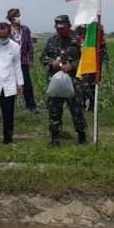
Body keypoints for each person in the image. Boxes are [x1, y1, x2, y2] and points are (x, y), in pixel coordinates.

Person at [41, 15, 87, 146]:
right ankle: (55, 137)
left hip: (74, 82)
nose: (61, 31)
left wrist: (73, 65)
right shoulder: (51, 41)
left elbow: (86, 60)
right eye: (58, 28)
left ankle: (81, 135)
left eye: (63, 28)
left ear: (69, 25)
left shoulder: (77, 41)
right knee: (54, 110)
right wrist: (51, 63)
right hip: (55, 81)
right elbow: (43, 58)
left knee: (76, 109)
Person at [7, 8, 38, 113]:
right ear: (11, 18)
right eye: (17, 15)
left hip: (23, 61)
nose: (19, 17)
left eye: (19, 15)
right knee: (10, 84)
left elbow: (30, 45)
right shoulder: (6, 29)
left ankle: (31, 106)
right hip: (9, 62)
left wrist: (31, 59)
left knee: (27, 84)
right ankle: (9, 106)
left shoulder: (25, 29)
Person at [75, 23, 108, 113]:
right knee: (81, 85)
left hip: (95, 61)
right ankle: (82, 104)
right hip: (82, 61)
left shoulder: (97, 28)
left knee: (93, 85)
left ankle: (92, 106)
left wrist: (105, 59)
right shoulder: (79, 28)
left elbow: (103, 46)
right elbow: (76, 44)